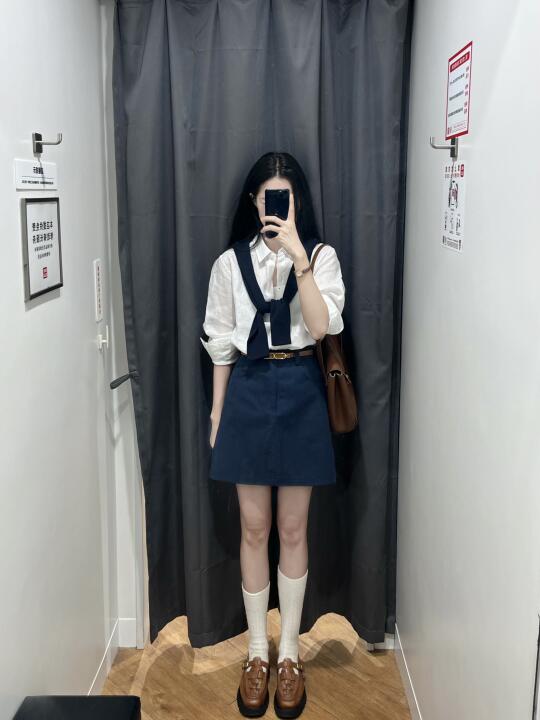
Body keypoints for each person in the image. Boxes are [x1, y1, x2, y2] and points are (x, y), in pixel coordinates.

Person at [200, 151, 345, 718]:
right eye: (267, 198)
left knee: (293, 526)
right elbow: (220, 343)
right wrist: (217, 412)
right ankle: (257, 652)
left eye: (283, 198)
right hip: (250, 390)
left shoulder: (321, 258)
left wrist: (299, 260)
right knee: (254, 526)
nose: (274, 208)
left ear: (297, 202)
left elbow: (320, 326)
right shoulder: (228, 264)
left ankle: (289, 655)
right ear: (253, 202)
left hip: (303, 388)